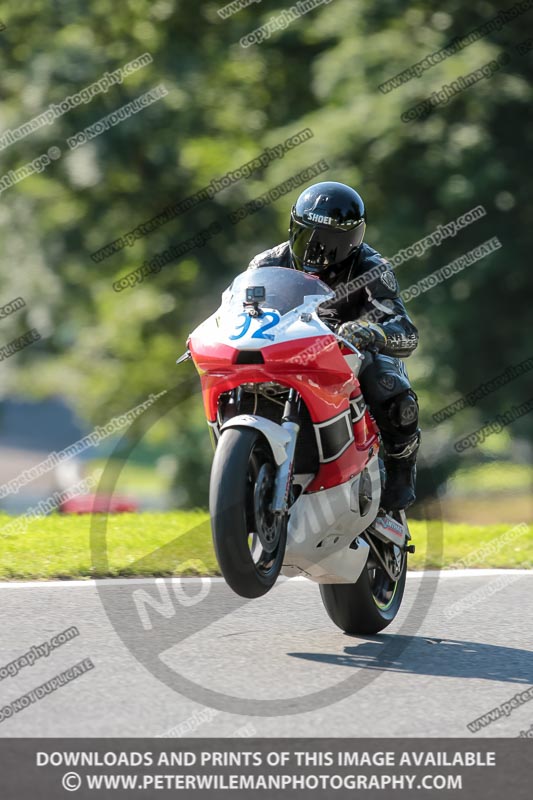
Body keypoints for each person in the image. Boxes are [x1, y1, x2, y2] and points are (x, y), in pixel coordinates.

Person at [247, 181, 420, 512]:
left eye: (329, 241)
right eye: (307, 236)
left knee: (391, 390)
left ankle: (401, 467)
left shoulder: (371, 268)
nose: (315, 249)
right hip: (283, 353)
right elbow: (238, 309)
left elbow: (406, 330)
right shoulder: (266, 263)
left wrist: (374, 333)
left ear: (353, 240)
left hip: (349, 354)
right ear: (293, 227)